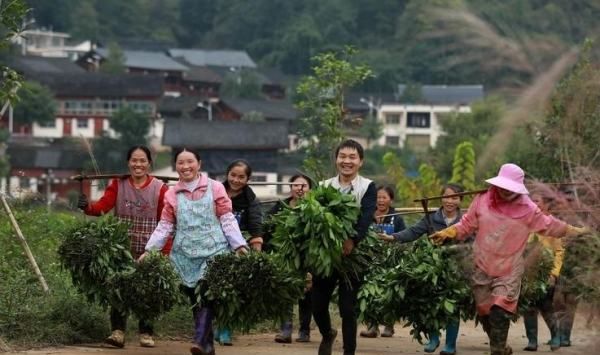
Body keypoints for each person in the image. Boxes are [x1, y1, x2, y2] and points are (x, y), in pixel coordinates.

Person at [430, 163, 588, 355]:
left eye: (510, 188)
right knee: (485, 312)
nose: (505, 191)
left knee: (500, 311)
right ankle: (501, 348)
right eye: (503, 186)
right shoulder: (482, 200)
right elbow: (466, 225)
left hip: (509, 268)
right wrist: (447, 232)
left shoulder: (528, 209)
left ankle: (497, 350)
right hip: (482, 264)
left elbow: (550, 225)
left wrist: (576, 231)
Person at [140, 148, 248, 355]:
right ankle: (206, 345)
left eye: (190, 162)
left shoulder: (215, 188)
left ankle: (199, 339)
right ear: (176, 166)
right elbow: (165, 226)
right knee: (194, 300)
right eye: (181, 163)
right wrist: (150, 251)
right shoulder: (172, 193)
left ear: (199, 164)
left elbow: (226, 218)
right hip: (185, 255)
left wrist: (239, 245)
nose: (185, 166)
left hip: (213, 251)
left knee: (206, 293)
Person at [77, 145, 169, 348]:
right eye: (134, 160)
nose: (138, 164)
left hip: (150, 248)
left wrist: (163, 252)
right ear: (128, 163)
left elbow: (167, 221)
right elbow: (102, 207)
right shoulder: (118, 185)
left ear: (149, 163)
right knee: (119, 289)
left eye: (142, 160)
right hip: (122, 248)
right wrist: (87, 207)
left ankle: (146, 332)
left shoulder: (160, 189)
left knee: (147, 291)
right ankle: (117, 332)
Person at [379, 183, 465, 355]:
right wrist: (392, 237)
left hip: (457, 267)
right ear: (441, 198)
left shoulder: (465, 219)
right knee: (430, 302)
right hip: (432, 266)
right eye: (447, 196)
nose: (450, 201)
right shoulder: (432, 218)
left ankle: (450, 344)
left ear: (461, 200)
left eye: (455, 197)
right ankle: (433, 338)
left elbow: (473, 240)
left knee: (453, 306)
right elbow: (412, 232)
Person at [315, 139, 377, 355]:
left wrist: (352, 240)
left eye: (352, 157)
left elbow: (366, 216)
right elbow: (316, 214)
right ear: (336, 159)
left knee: (347, 309)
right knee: (318, 303)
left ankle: (348, 351)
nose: (347, 161)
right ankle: (327, 334)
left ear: (360, 162)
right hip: (327, 254)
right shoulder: (324, 186)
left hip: (354, 254)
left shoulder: (367, 187)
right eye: (343, 156)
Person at [217, 159, 264, 346]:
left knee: (230, 288)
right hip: (212, 245)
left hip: (238, 248)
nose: (236, 180)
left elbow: (255, 224)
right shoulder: (215, 192)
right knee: (212, 288)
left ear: (248, 179)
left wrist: (256, 248)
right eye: (233, 175)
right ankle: (212, 325)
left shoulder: (250, 199)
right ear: (227, 174)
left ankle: (225, 328)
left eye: (241, 177)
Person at [268, 174, 315, 344]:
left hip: (308, 255)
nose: (299, 188)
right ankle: (286, 329)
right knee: (285, 290)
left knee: (306, 294)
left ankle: (304, 330)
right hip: (285, 255)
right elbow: (268, 224)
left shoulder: (314, 207)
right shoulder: (281, 206)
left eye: (303, 185)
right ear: (290, 187)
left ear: (310, 189)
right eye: (296, 185)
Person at [360, 185, 406, 339]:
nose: (380, 200)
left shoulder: (396, 218)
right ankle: (372, 326)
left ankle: (389, 324)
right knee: (369, 292)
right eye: (378, 197)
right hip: (369, 259)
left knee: (388, 292)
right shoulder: (366, 215)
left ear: (390, 200)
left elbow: (403, 237)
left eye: (384, 197)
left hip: (389, 260)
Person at [522, 191, 564, 352]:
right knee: (528, 308)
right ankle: (532, 341)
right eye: (531, 201)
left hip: (546, 273)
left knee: (546, 306)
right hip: (527, 273)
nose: (534, 204)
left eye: (537, 201)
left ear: (546, 204)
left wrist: (554, 273)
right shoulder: (525, 223)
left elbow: (559, 252)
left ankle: (556, 336)